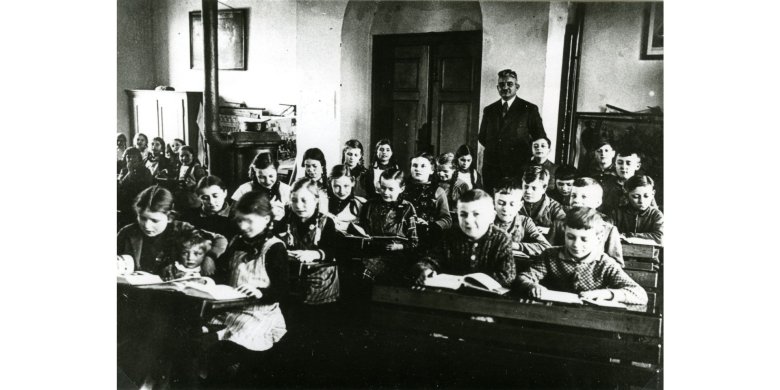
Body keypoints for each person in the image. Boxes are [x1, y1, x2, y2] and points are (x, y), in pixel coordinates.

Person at [206, 191, 289, 386]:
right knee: (204, 336)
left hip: (260, 312)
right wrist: (209, 283)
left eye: (249, 221)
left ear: (266, 219)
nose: (243, 226)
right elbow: (224, 272)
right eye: (240, 221)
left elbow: (282, 290)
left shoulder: (274, 247)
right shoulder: (237, 241)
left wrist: (261, 292)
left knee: (231, 345)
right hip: (232, 308)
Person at [516, 207, 648, 305]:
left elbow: (640, 294)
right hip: (553, 316)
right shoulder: (550, 255)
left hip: (590, 322)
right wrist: (532, 286)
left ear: (599, 237)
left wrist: (606, 294)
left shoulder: (605, 264)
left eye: (584, 239)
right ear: (565, 233)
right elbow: (524, 277)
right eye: (570, 237)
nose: (576, 244)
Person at [412, 189, 515, 287]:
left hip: (487, 298)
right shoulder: (451, 235)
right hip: (452, 296)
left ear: (491, 217)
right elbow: (429, 261)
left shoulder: (502, 239)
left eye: (476, 214)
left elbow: (507, 276)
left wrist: (472, 281)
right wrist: (425, 270)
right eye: (463, 214)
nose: (468, 220)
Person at [116, 186, 226, 276]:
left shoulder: (182, 229)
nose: (147, 226)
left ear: (170, 217)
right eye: (142, 218)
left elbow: (219, 239)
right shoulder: (127, 232)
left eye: (155, 220)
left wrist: (210, 257)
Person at [478, 69, 546, 191]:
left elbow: (540, 137)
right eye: (501, 84)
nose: (505, 87)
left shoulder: (528, 109)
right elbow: (482, 137)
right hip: (492, 167)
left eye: (509, 84)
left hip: (517, 167)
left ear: (517, 86)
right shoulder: (489, 110)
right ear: (497, 87)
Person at [277, 178, 341, 306]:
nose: (298, 206)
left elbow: (333, 250)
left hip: (321, 281)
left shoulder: (326, 222)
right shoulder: (286, 220)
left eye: (304, 200)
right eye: (294, 201)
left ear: (316, 200)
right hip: (292, 277)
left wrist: (314, 254)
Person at [358, 168, 418, 282]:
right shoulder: (370, 205)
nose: (385, 192)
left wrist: (399, 246)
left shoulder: (407, 208)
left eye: (391, 189)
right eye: (383, 187)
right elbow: (362, 229)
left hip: (396, 255)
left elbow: (414, 242)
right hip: (371, 252)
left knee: (366, 273)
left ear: (402, 188)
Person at [548, 177, 624, 266]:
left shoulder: (608, 229)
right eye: (573, 196)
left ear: (597, 202)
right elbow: (548, 254)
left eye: (584, 197)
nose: (576, 200)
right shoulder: (559, 224)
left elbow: (617, 263)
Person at [403, 152, 452, 248]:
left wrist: (430, 225)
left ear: (432, 170)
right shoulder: (401, 188)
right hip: (403, 236)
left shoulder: (438, 191)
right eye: (415, 165)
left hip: (427, 238)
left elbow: (447, 219)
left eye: (423, 166)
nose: (418, 169)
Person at [492, 179, 551, 257]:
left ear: (520, 205)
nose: (505, 209)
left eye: (512, 204)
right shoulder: (486, 221)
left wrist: (514, 245)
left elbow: (546, 247)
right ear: (493, 203)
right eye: (501, 203)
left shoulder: (525, 222)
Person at [232, 152, 291, 221]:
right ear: (254, 172)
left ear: (277, 172)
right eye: (261, 177)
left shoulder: (286, 190)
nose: (268, 181)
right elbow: (233, 216)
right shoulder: (244, 189)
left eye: (271, 176)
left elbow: (290, 218)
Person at [610, 175, 664, 245]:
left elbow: (660, 237)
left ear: (653, 194)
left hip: (649, 255)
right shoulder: (617, 213)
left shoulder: (656, 215)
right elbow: (608, 233)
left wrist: (628, 235)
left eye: (646, 196)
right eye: (636, 197)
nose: (641, 201)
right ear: (627, 195)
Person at [600, 148, 657, 214]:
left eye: (628, 163)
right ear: (615, 165)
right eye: (620, 163)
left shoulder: (643, 186)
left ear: (637, 166)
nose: (623, 167)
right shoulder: (607, 185)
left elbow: (654, 213)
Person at [517, 166, 566, 240]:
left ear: (544, 188)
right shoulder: (514, 203)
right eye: (526, 187)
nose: (528, 191)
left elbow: (566, 228)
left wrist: (549, 230)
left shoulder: (554, 207)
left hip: (544, 249)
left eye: (534, 188)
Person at [189, 175, 240, 240]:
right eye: (205, 198)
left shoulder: (236, 217)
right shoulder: (190, 217)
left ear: (225, 193)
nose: (211, 202)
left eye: (215, 196)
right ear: (199, 197)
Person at [117, 147, 154, 228]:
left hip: (140, 201)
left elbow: (147, 188)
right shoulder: (124, 171)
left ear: (139, 158)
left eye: (134, 157)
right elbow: (120, 186)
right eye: (128, 157)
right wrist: (129, 172)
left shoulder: (145, 171)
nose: (131, 159)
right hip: (126, 203)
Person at [327, 164, 366, 232]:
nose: (342, 191)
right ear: (330, 184)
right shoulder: (324, 203)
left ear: (353, 182)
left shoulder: (361, 204)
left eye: (346, 186)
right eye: (337, 186)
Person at [301, 147, 329, 213]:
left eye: (314, 166)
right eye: (307, 166)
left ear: (322, 166)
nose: (310, 169)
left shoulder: (330, 184)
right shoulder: (300, 184)